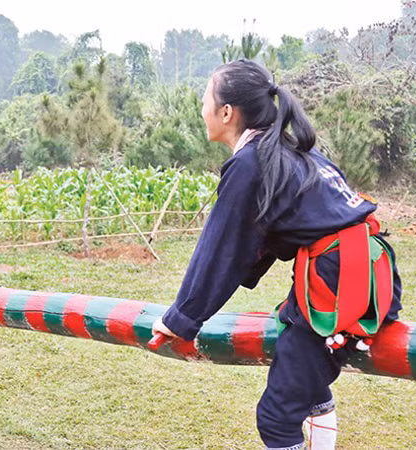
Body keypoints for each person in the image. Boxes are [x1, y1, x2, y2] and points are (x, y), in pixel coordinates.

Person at [151, 60, 402, 450]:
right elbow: (260, 239)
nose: (201, 108)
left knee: (275, 418)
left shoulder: (252, 161)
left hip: (340, 288)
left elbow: (222, 250)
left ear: (226, 112)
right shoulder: (289, 151)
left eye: (204, 99)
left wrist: (181, 318)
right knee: (306, 381)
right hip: (367, 271)